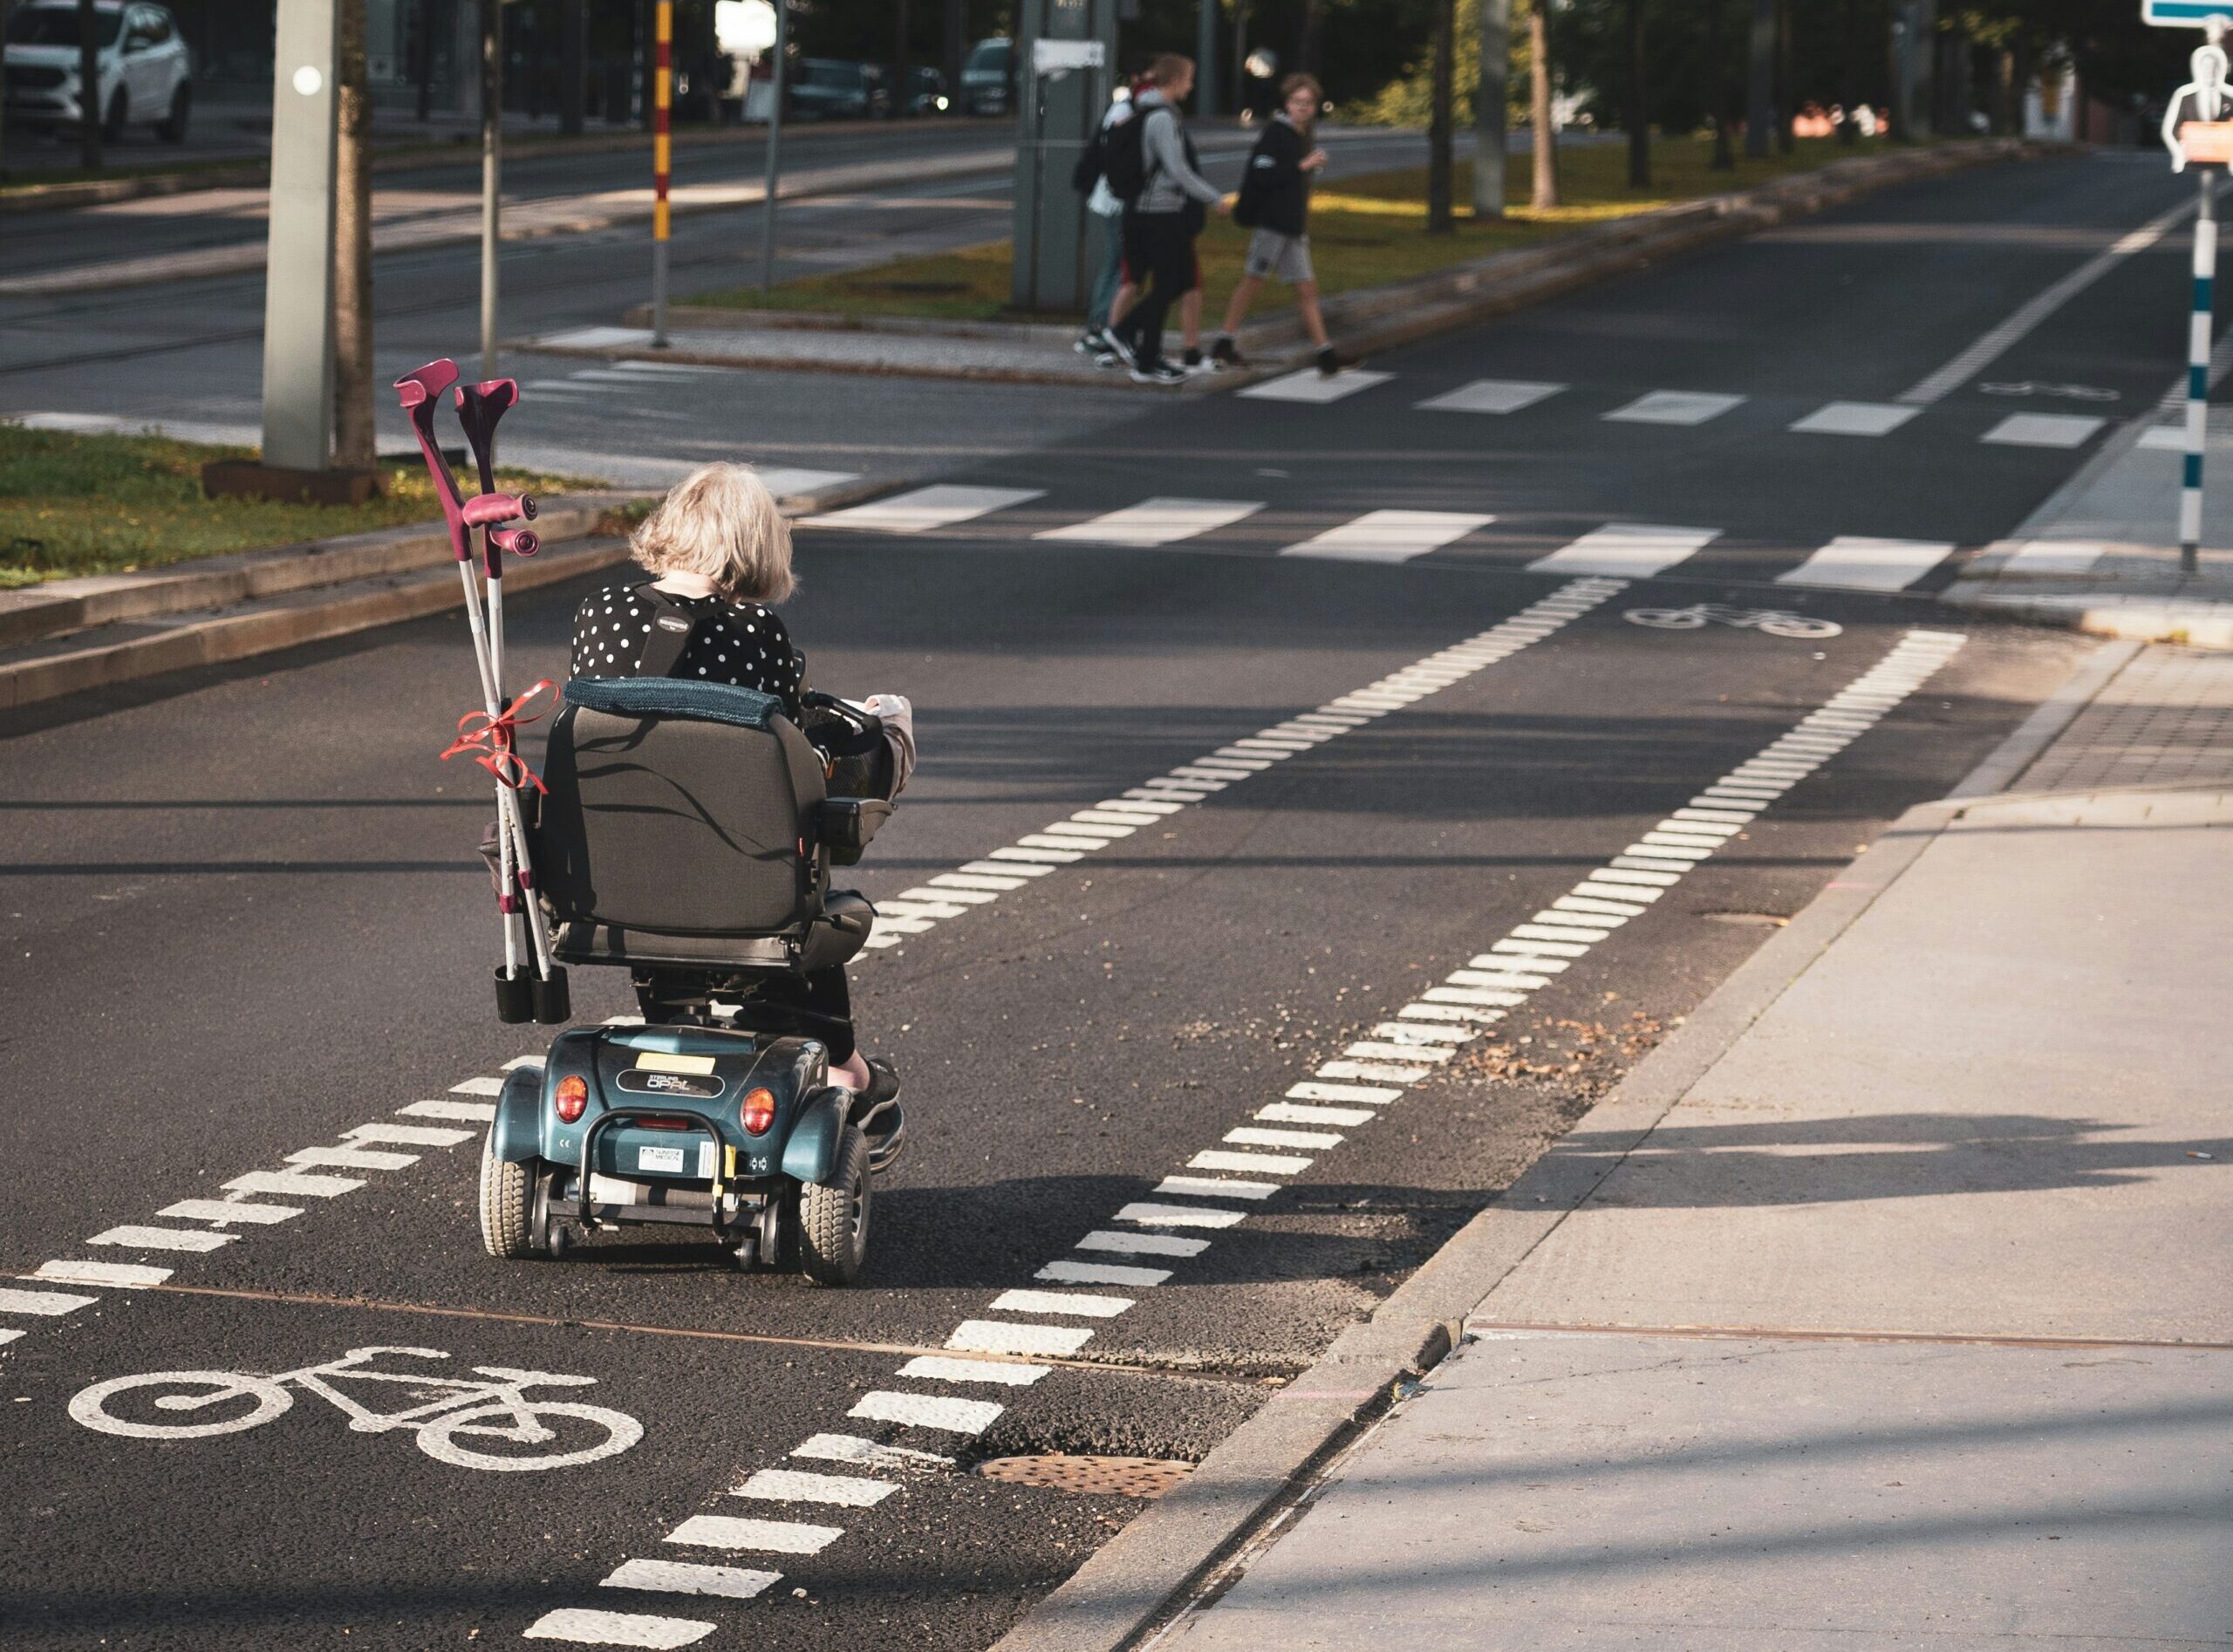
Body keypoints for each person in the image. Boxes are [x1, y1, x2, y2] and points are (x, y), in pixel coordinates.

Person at [567, 462, 914, 1096]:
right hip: (739, 876)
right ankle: (847, 1069)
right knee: (818, 899)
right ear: (755, 545)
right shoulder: (757, 633)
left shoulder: (599, 612)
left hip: (618, 874)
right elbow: (788, 752)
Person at [1209, 73, 1348, 379]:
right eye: (1298, 102)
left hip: (1291, 225)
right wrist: (1302, 166)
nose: (1303, 108)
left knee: (1306, 287)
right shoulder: (1276, 134)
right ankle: (1223, 341)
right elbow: (1262, 175)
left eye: (1308, 103)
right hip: (1272, 223)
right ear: (1287, 104)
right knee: (1254, 279)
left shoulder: (1300, 136)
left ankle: (1325, 353)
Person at [1107, 54, 1229, 386]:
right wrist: (1214, 198)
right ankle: (1125, 333)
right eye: (1189, 79)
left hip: (1147, 213)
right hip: (1158, 214)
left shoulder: (1147, 110)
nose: (1191, 85)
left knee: (1174, 283)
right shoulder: (1161, 117)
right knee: (1172, 284)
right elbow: (1177, 169)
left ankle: (1147, 360)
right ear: (1174, 81)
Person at [1076, 84, 1141, 365]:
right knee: (1120, 263)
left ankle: (1100, 325)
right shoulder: (1124, 111)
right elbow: (1115, 155)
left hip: (1110, 197)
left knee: (1116, 262)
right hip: (1115, 199)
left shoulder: (1124, 109)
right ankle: (1101, 326)